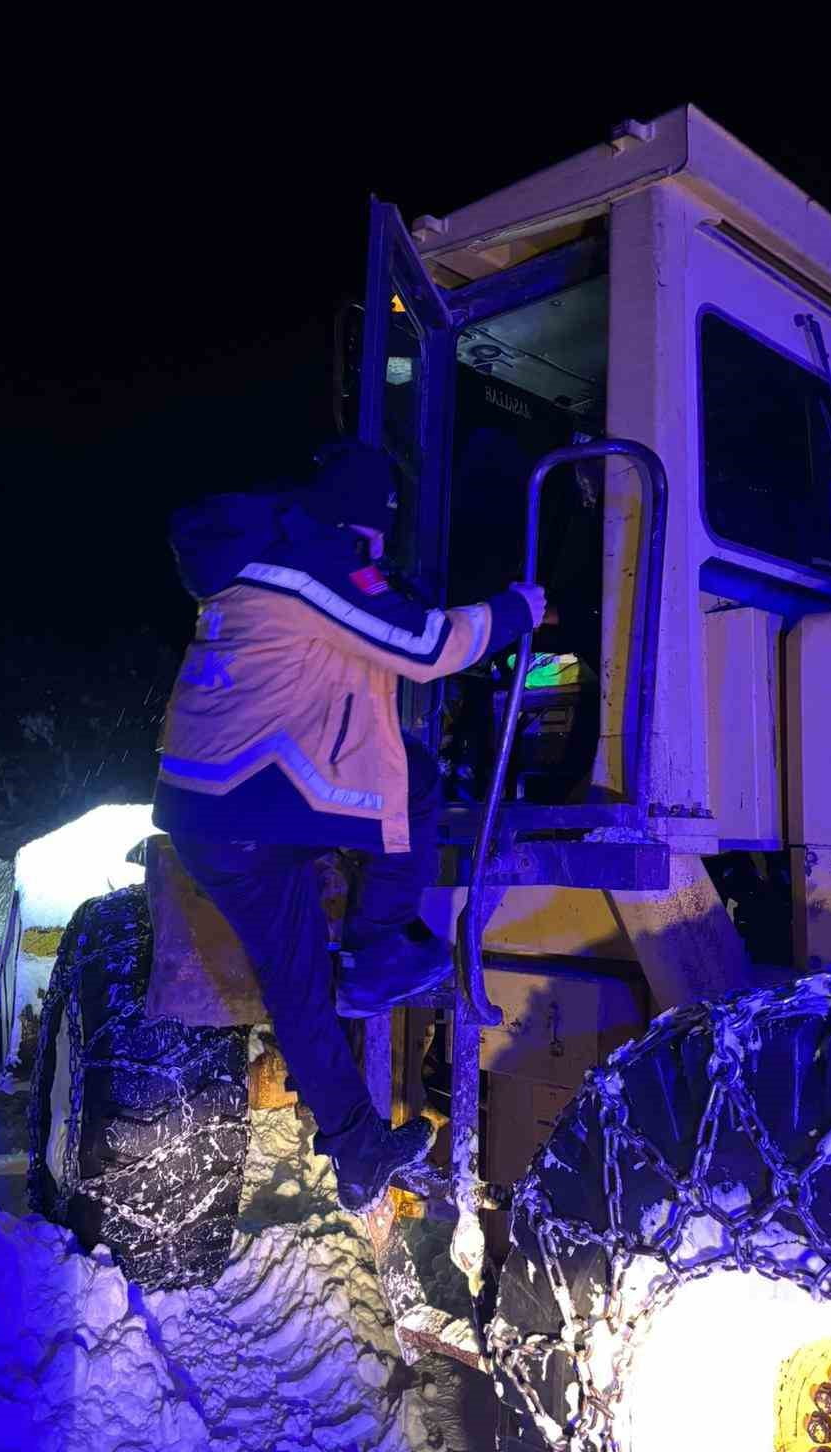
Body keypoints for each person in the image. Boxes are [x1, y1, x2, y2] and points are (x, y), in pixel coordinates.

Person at [151, 439, 545, 1214]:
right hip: (257, 802)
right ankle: (376, 951)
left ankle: (359, 1147)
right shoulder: (317, 565)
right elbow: (428, 648)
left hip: (212, 812)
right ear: (362, 519)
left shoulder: (259, 565)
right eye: (379, 530)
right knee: (416, 784)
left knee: (296, 983)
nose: (378, 549)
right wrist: (515, 610)